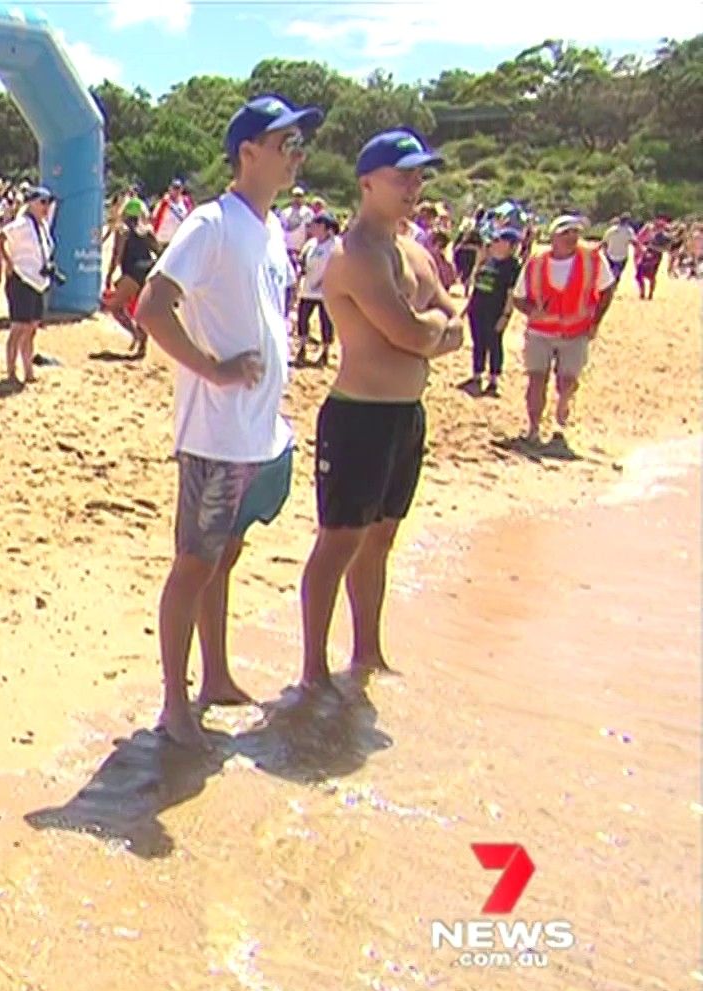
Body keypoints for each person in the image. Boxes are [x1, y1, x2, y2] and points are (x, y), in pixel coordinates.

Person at [133, 93, 321, 747]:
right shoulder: (211, 223)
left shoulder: (269, 231)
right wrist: (211, 368)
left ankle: (214, 676)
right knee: (194, 563)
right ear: (248, 152)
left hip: (258, 433)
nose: (297, 156)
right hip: (215, 435)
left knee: (225, 557)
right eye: (285, 144)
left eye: (299, 145)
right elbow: (152, 307)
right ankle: (174, 703)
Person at [298, 128, 464, 694]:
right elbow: (411, 333)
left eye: (419, 177)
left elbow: (451, 320)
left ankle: (367, 652)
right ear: (367, 183)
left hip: (405, 415)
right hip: (358, 416)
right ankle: (313, 668)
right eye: (402, 177)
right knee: (339, 541)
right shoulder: (356, 256)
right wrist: (433, 330)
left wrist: (430, 329)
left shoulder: (414, 252)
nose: (414, 187)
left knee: (381, 539)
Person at [514, 215, 615, 449]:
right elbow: (519, 297)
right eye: (565, 232)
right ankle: (533, 428)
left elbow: (607, 290)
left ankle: (563, 404)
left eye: (575, 232)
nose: (572, 237)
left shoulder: (592, 259)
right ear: (553, 236)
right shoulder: (536, 262)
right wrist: (531, 311)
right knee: (536, 379)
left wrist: (596, 321)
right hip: (540, 331)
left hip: (576, 331)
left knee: (567, 381)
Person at [1, 186, 58, 383]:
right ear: (31, 203)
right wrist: (8, 263)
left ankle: (28, 371)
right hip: (22, 279)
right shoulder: (22, 224)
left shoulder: (43, 226)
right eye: (43, 202)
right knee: (18, 327)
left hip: (38, 281)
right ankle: (11, 372)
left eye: (48, 203)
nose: (46, 207)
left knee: (32, 328)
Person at [461, 227, 521, 396]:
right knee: (478, 342)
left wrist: (505, 316)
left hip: (495, 310)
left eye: (498, 240)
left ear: (510, 245)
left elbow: (511, 293)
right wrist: (467, 307)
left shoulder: (513, 266)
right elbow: (477, 284)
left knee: (494, 343)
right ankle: (476, 375)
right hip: (477, 308)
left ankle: (493, 380)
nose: (494, 243)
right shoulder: (488, 260)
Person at [103, 196, 157, 356]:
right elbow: (160, 251)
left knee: (115, 307)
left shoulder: (123, 231)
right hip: (148, 269)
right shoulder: (147, 231)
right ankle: (142, 346)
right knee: (141, 310)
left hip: (132, 270)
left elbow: (117, 255)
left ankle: (135, 334)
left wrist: (109, 276)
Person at [294, 213, 337, 367]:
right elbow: (303, 262)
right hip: (308, 289)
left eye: (318, 225)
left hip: (326, 292)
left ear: (327, 229)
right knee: (302, 319)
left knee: (326, 321)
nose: (314, 228)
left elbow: (338, 267)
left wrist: (325, 281)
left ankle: (325, 352)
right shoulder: (311, 244)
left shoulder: (335, 246)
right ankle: (302, 348)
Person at [150, 177, 194, 246]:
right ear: (170, 189)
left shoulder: (185, 202)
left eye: (178, 188)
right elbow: (154, 216)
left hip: (176, 240)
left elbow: (189, 218)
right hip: (160, 238)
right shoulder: (164, 201)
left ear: (182, 189)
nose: (176, 190)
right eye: (174, 188)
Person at [601, 215, 635, 285]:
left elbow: (604, 242)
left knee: (610, 273)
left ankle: (610, 284)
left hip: (610, 255)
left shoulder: (611, 230)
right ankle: (615, 284)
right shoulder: (629, 230)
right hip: (622, 256)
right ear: (627, 222)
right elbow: (632, 241)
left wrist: (605, 252)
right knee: (618, 274)